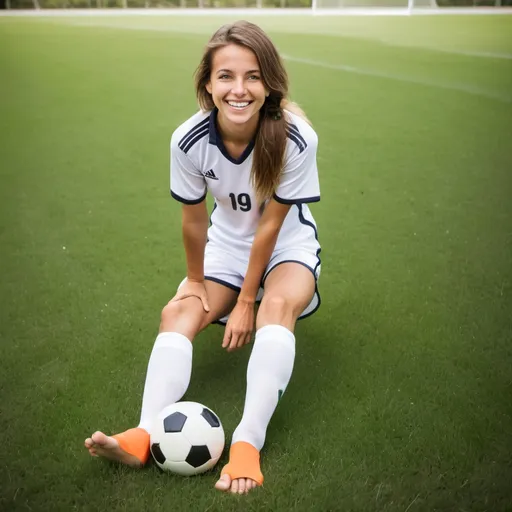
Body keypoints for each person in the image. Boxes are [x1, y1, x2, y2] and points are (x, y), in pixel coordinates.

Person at [84, 20, 321, 495]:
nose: (239, 89)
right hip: (225, 248)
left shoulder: (296, 138)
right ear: (207, 85)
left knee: (276, 310)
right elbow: (193, 219)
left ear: (269, 83)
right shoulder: (188, 139)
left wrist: (247, 300)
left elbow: (271, 225)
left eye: (253, 76)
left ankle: (247, 444)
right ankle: (143, 434)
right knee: (178, 311)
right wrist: (195, 281)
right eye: (226, 76)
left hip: (288, 248)